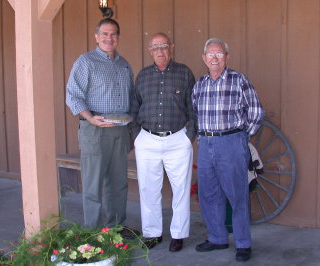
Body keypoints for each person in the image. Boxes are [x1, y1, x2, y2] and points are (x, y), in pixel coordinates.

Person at [192, 38, 265, 262]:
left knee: (237, 194)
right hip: (206, 144)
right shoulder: (200, 84)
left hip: (231, 143)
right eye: (210, 55)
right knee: (209, 193)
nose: (215, 58)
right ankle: (217, 238)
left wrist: (242, 138)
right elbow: (195, 112)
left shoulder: (238, 80)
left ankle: (243, 243)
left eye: (219, 54)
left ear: (227, 58)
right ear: (204, 59)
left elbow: (256, 110)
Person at [66, 18, 138, 238]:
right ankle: (92, 232)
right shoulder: (85, 62)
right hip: (94, 130)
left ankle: (116, 227)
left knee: (118, 182)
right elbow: (73, 95)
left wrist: (130, 124)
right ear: (96, 37)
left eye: (113, 34)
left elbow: (131, 97)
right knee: (93, 183)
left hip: (119, 131)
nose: (109, 38)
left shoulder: (124, 64)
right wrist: (90, 118)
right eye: (104, 34)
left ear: (118, 37)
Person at [130, 33, 196, 252]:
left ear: (172, 48)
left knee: (181, 189)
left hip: (177, 139)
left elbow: (193, 107)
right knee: (148, 189)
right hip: (147, 139)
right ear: (150, 50)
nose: (160, 51)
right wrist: (137, 135)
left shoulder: (184, 73)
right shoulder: (143, 75)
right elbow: (134, 106)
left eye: (164, 46)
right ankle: (152, 233)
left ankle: (178, 234)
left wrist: (189, 136)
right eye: (155, 47)